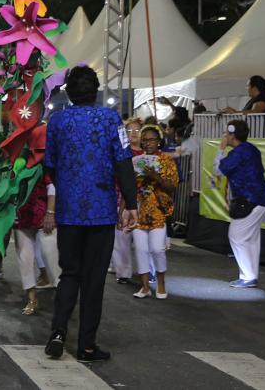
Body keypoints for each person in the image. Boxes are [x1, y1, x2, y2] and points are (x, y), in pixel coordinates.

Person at [43, 66, 138, 362]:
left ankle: (58, 332)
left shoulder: (56, 120)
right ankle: (86, 346)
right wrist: (130, 203)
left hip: (70, 212)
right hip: (101, 212)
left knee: (69, 274)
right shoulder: (111, 119)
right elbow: (123, 161)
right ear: (95, 90)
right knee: (94, 280)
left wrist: (68, 188)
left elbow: (49, 164)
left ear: (68, 92)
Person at [214, 119, 265, 288]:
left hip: (251, 199)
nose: (224, 136)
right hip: (261, 198)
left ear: (232, 135)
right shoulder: (252, 149)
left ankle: (247, 276)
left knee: (236, 236)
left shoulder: (238, 153)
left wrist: (221, 149)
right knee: (251, 238)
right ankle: (249, 276)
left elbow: (219, 169)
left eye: (226, 133)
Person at [130, 125, 178, 299]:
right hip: (139, 211)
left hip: (158, 212)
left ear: (159, 142)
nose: (147, 143)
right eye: (145, 140)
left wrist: (154, 176)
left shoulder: (166, 161)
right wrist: (124, 211)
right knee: (141, 250)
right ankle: (144, 287)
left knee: (157, 249)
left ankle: (161, 283)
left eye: (151, 139)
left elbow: (172, 186)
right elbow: (130, 189)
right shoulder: (136, 160)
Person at [13, 170, 60, 315]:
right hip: (21, 216)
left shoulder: (42, 162)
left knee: (52, 257)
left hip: (44, 215)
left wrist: (50, 213)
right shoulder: (11, 163)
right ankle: (32, 299)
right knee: (24, 258)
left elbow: (52, 187)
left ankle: (63, 297)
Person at [112, 118, 144, 284]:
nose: (133, 133)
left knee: (142, 240)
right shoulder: (120, 153)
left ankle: (147, 271)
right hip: (121, 198)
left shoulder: (147, 154)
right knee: (122, 237)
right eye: (129, 130)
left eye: (137, 130)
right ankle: (123, 271)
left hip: (144, 200)